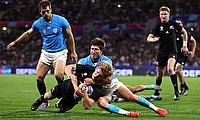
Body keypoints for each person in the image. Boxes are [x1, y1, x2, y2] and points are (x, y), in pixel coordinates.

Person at [6, 0, 78, 109]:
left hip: (60, 52)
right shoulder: (38, 23)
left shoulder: (61, 20)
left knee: (58, 75)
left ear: (51, 10)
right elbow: (28, 33)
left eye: (47, 11)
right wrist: (15, 42)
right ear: (40, 12)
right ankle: (44, 100)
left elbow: (70, 36)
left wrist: (73, 52)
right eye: (43, 12)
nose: (46, 14)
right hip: (46, 53)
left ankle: (63, 96)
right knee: (39, 78)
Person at [78, 37, 167, 117]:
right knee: (102, 104)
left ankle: (157, 109)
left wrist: (92, 81)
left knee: (132, 97)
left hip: (112, 85)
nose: (93, 51)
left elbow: (108, 80)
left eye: (96, 49)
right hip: (99, 90)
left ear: (101, 51)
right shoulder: (83, 61)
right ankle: (129, 114)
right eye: (92, 49)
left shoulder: (106, 61)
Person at [31, 61, 113, 112]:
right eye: (97, 72)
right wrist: (71, 76)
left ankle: (60, 104)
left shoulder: (97, 90)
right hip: (67, 86)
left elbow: (87, 106)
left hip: (72, 98)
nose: (96, 75)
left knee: (61, 109)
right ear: (96, 68)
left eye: (99, 75)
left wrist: (84, 93)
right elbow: (68, 67)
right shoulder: (89, 69)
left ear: (103, 78)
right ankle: (38, 101)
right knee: (49, 95)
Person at [146, 6, 189, 101]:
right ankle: (156, 92)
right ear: (159, 15)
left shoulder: (174, 24)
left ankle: (176, 92)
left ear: (169, 15)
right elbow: (148, 38)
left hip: (172, 51)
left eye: (165, 14)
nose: (163, 16)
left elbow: (184, 32)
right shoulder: (158, 26)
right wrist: (152, 39)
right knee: (159, 75)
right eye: (162, 14)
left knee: (170, 69)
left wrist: (185, 45)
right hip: (162, 53)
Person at [175, 18, 196, 95]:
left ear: (182, 25)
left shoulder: (185, 33)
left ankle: (183, 86)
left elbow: (193, 41)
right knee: (177, 71)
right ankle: (184, 86)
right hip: (174, 55)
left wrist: (193, 51)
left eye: (179, 23)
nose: (178, 25)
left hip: (183, 55)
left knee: (177, 69)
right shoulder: (172, 33)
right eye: (176, 23)